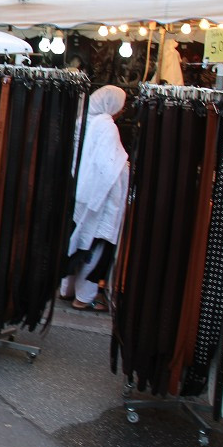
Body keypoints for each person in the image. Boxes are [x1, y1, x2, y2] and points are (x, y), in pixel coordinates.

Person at [60, 85, 129, 312]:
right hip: (98, 197)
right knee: (94, 246)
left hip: (80, 192)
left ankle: (66, 289)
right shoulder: (106, 126)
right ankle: (84, 296)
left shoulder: (84, 121)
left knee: (78, 240)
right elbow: (109, 166)